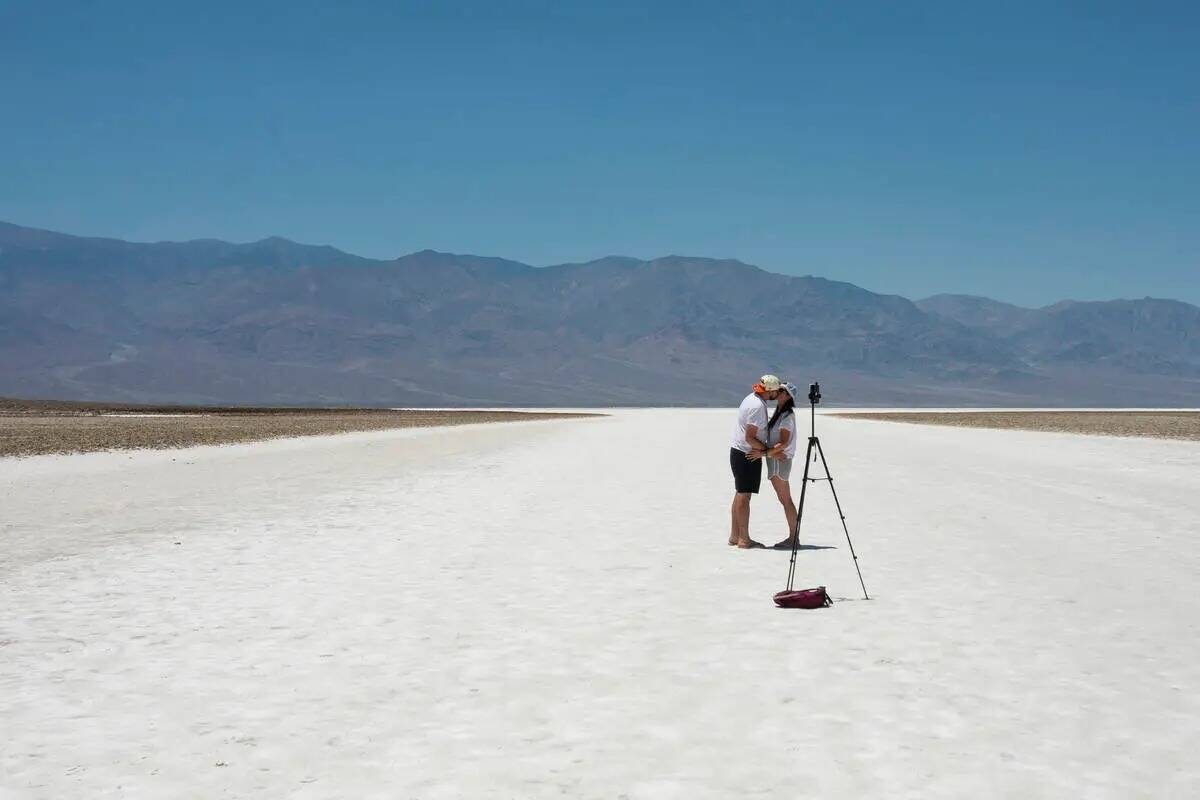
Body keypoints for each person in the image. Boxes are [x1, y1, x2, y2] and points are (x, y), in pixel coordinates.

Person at [729, 374, 781, 548]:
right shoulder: (758, 406)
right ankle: (744, 539)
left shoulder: (751, 398)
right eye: (776, 391)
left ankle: (735, 536)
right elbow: (750, 437)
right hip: (747, 454)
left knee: (740, 492)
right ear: (770, 391)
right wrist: (767, 452)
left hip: (739, 451)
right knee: (744, 495)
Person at [765, 382, 800, 549]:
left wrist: (764, 453)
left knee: (786, 499)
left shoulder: (787, 416)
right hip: (775, 460)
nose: (776, 392)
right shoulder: (779, 413)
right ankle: (793, 537)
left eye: (780, 390)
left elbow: (784, 443)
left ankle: (793, 538)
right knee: (784, 499)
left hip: (780, 461)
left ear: (787, 396)